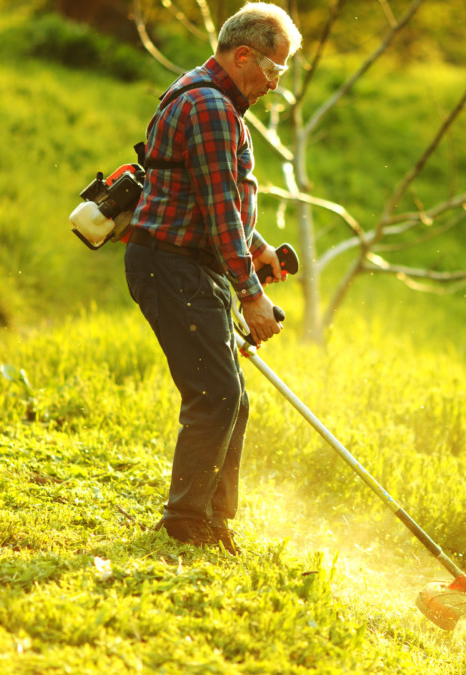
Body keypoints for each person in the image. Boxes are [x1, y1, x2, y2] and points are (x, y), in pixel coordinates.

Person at [124, 2, 302, 554]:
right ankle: (185, 523)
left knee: (231, 398)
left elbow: (213, 201)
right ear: (243, 54)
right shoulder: (209, 106)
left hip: (185, 262)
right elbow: (221, 208)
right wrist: (251, 296)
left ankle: (214, 522)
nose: (275, 84)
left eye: (283, 73)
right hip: (170, 265)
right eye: (274, 69)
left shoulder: (209, 96)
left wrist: (260, 250)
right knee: (215, 395)